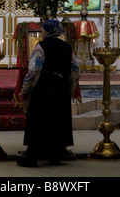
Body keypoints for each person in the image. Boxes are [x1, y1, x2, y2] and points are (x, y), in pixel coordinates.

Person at [18, 19, 80, 167]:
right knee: (58, 120)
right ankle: (55, 155)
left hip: (44, 88)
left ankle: (33, 156)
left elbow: (34, 70)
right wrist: (70, 90)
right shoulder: (67, 47)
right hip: (61, 88)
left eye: (43, 29)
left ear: (47, 30)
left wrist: (25, 90)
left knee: (40, 120)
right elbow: (75, 71)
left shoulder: (41, 46)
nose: (42, 31)